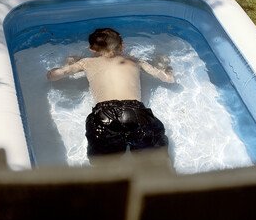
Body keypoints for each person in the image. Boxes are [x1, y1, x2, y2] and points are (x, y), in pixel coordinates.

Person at [47, 28, 174, 161]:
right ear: (122, 45)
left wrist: (68, 64)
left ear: (92, 50)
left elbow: (53, 76)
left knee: (105, 164)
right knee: (154, 161)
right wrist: (167, 69)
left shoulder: (86, 62)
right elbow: (168, 78)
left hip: (104, 115)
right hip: (135, 112)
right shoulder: (134, 61)